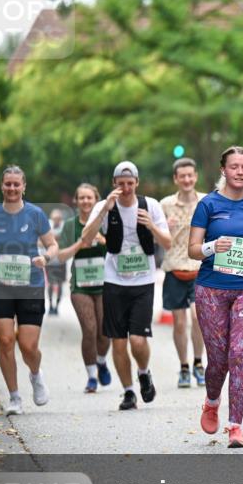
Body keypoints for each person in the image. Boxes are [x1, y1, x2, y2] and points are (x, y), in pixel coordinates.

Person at [188, 146, 243, 448]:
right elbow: (193, 249)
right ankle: (212, 402)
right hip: (211, 287)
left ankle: (235, 426)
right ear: (223, 170)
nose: (239, 172)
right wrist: (214, 247)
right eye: (234, 167)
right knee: (217, 359)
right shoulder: (208, 205)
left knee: (239, 354)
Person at [81, 161, 171, 411]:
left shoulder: (150, 205)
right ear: (114, 184)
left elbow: (169, 243)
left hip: (143, 281)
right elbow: (86, 239)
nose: (126, 188)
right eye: (121, 184)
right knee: (119, 343)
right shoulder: (104, 206)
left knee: (138, 341)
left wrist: (151, 226)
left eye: (130, 183)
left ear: (137, 183)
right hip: (114, 281)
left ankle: (143, 372)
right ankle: (129, 392)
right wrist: (103, 211)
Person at [0, 165, 57, 415]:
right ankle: (15, 397)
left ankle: (35, 373)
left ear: (24, 186)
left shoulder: (36, 214)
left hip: (31, 285)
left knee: (28, 346)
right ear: (2, 186)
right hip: (1, 286)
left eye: (16, 184)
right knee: (6, 341)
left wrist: (45, 258)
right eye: (8, 184)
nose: (12, 188)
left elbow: (52, 245)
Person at [56, 183, 113, 393]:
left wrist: (102, 240)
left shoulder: (105, 222)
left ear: (96, 200)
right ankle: (91, 377)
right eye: (81, 198)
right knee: (89, 330)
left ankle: (101, 361)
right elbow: (61, 255)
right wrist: (80, 243)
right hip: (80, 286)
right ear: (76, 201)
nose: (85, 202)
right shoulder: (70, 225)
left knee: (104, 332)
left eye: (89, 198)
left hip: (105, 284)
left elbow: (117, 247)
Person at [160, 157, 207, 389]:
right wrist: (162, 228)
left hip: (200, 268)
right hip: (174, 268)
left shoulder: (207, 201)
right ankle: (184, 367)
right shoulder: (165, 205)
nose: (187, 179)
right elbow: (155, 238)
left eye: (190, 175)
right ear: (175, 179)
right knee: (179, 323)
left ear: (195, 177)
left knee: (199, 318)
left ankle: (199, 363)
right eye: (182, 176)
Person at [45, 209, 67, 315]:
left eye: (58, 219)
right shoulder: (47, 225)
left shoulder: (64, 226)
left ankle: (57, 307)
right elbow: (42, 240)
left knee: (60, 284)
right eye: (55, 219)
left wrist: (52, 238)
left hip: (61, 261)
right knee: (50, 284)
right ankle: (50, 306)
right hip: (50, 261)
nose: (56, 221)